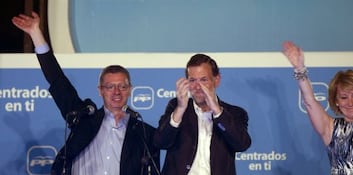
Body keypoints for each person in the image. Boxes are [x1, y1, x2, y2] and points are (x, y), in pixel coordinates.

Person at [12, 12, 160, 175]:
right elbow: (57, 81)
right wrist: (35, 33)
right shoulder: (83, 118)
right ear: (100, 90)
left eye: (122, 87)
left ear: (130, 89)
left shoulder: (144, 133)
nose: (117, 92)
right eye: (110, 86)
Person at [281, 41, 353, 174]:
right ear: (336, 101)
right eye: (343, 97)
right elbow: (309, 101)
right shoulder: (331, 128)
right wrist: (299, 68)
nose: (350, 103)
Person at [153, 53, 251, 175]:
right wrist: (180, 109)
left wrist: (217, 111)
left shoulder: (235, 113)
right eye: (192, 80)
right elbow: (160, 142)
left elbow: (242, 144)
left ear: (216, 80)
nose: (197, 87)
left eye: (203, 80)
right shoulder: (176, 107)